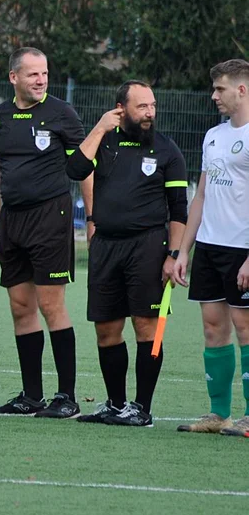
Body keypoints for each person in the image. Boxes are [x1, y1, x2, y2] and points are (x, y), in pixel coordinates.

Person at [0, 47, 90, 418]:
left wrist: (95, 218)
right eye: (33, 74)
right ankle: (31, 396)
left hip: (50, 217)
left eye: (45, 74)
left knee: (51, 305)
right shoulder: (0, 116)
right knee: (21, 307)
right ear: (14, 78)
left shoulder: (61, 114)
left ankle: (66, 397)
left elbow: (85, 168)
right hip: (12, 221)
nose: (41, 80)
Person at [67, 81, 188, 427]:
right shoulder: (103, 142)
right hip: (105, 246)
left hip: (148, 247)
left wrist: (174, 253)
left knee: (146, 327)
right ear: (121, 109)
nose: (150, 113)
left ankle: (142, 409)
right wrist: (99, 127)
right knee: (106, 329)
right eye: (142, 107)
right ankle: (115, 404)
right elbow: (74, 170)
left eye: (152, 106)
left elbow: (178, 209)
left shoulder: (167, 151)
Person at [172, 59, 249, 435]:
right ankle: (218, 414)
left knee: (245, 327)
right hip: (209, 246)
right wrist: (184, 250)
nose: (214, 95)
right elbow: (200, 195)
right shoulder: (213, 135)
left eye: (220, 89)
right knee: (213, 328)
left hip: (242, 249)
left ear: (242, 90)